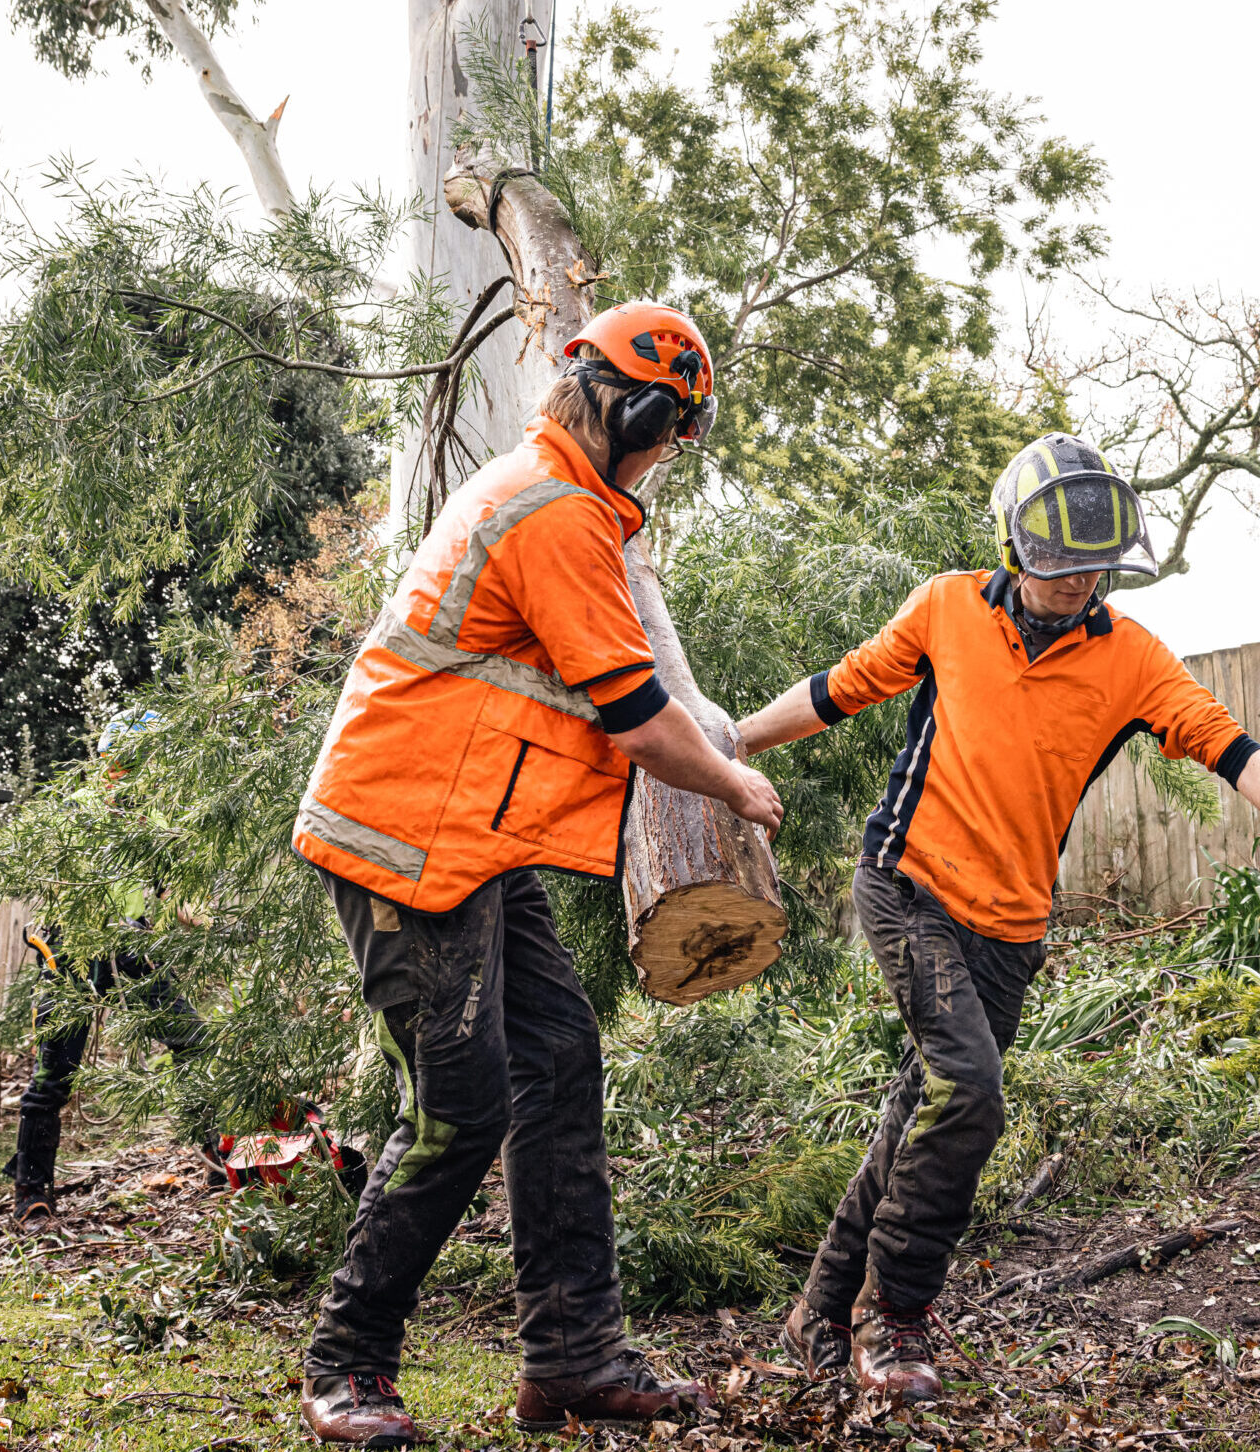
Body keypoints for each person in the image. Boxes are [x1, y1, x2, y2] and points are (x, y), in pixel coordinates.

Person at [737, 432, 1260, 1401]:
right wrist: (727, 747)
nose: (1073, 587)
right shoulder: (944, 608)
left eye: (1090, 571)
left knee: (922, 1104)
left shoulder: (1130, 661)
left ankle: (819, 1306)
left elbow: (1230, 748)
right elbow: (838, 690)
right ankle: (891, 1315)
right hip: (905, 885)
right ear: (1015, 550)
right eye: (1056, 568)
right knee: (971, 1092)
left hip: (1010, 930)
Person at [290, 300, 784, 1446]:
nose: (671, 453)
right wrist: (732, 784)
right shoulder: (554, 512)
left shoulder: (570, 500)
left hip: (472, 838)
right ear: (642, 411)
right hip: (403, 837)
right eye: (674, 432)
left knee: (557, 1062)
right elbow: (634, 719)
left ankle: (570, 1356)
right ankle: (346, 1361)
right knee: (461, 1105)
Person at [7, 709, 211, 1223]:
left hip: (132, 950)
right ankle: (31, 1194)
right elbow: (56, 886)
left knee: (194, 1041)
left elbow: (172, 897)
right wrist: (99, 921)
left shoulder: (157, 820)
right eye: (122, 763)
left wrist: (210, 926)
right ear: (106, 763)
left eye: (142, 763)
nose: (131, 773)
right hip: (72, 953)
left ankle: (215, 1152)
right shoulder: (78, 811)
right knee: (54, 1075)